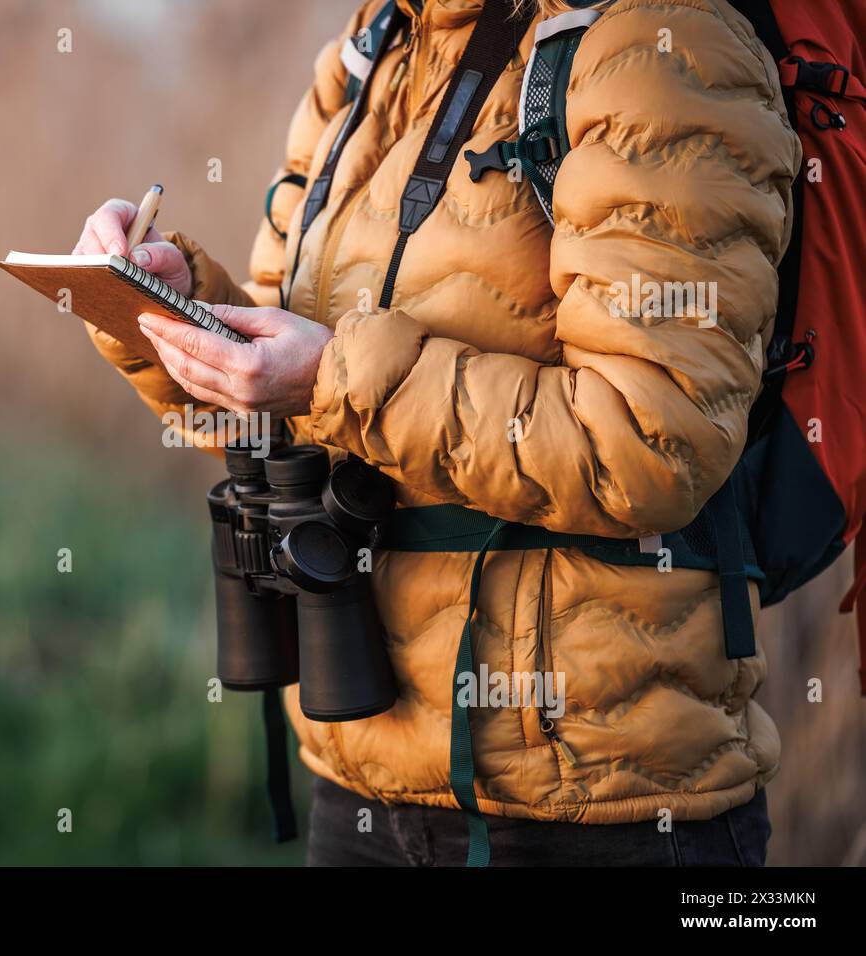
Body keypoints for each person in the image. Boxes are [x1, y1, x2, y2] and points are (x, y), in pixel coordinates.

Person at [73, 0, 800, 866]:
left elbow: (648, 447)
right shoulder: (368, 51)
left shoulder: (664, 49)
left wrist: (336, 378)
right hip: (361, 773)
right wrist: (169, 307)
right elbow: (288, 402)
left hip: (597, 805)